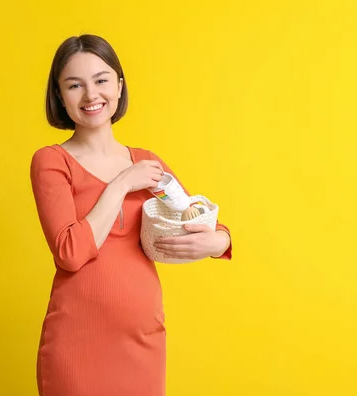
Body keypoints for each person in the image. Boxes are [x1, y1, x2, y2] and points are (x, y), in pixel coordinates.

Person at [30, 34, 232, 396]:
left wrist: (221, 240)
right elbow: (70, 253)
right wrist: (122, 184)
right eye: (74, 85)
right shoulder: (51, 161)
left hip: (143, 342)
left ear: (119, 86)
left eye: (102, 80)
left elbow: (197, 218)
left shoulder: (146, 163)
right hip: (77, 344)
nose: (91, 95)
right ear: (60, 96)